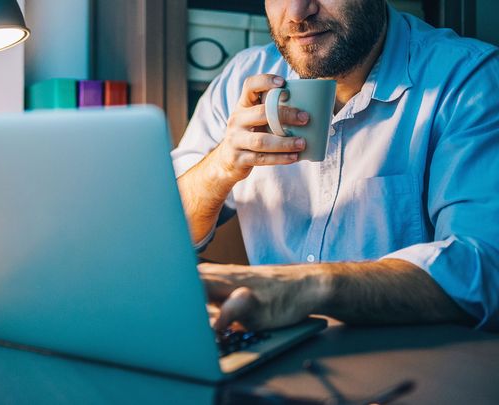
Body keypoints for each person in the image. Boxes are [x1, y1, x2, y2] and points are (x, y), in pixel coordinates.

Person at [172, 0, 499, 332]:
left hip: (407, 364)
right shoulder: (242, 76)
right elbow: (159, 235)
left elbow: (484, 268)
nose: (298, 13)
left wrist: (306, 287)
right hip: (274, 356)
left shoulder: (468, 80)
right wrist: (219, 167)